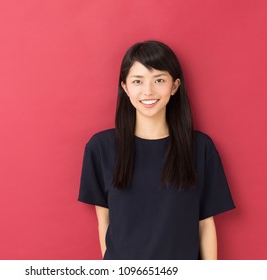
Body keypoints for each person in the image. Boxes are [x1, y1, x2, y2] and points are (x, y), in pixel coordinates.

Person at [78, 40, 235, 260]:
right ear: (125, 86)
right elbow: (103, 220)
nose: (148, 91)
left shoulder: (200, 148)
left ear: (174, 86)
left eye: (159, 80)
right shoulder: (101, 148)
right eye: (138, 81)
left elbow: (205, 224)